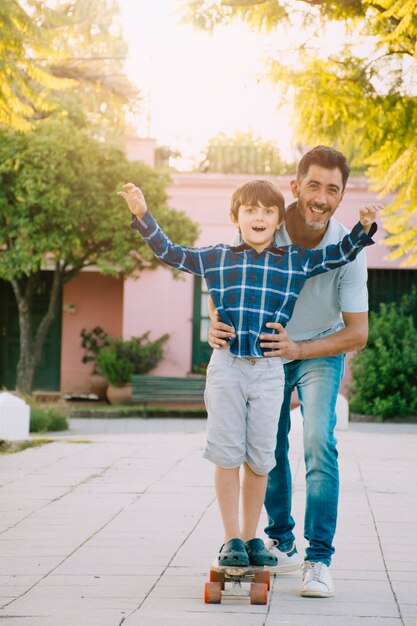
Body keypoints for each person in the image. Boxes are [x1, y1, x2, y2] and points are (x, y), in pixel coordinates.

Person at [118, 176, 377, 571]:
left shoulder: (294, 260)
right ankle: (230, 539)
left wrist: (363, 227)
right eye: (250, 210)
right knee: (226, 453)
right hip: (228, 368)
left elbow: (338, 254)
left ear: (279, 223)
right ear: (235, 217)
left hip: (270, 371)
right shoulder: (217, 257)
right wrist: (142, 214)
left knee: (260, 458)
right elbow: (170, 253)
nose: (259, 217)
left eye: (268, 211)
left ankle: (253, 536)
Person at [208, 145, 378, 597]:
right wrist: (215, 321)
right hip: (265, 351)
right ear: (296, 187)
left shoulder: (348, 247)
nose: (322, 197)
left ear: (342, 195)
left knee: (318, 440)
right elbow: (224, 272)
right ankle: (279, 540)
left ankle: (318, 558)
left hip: (318, 347)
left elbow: (357, 332)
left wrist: (300, 347)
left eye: (333, 189)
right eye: (314, 185)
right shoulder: (265, 223)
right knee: (268, 445)